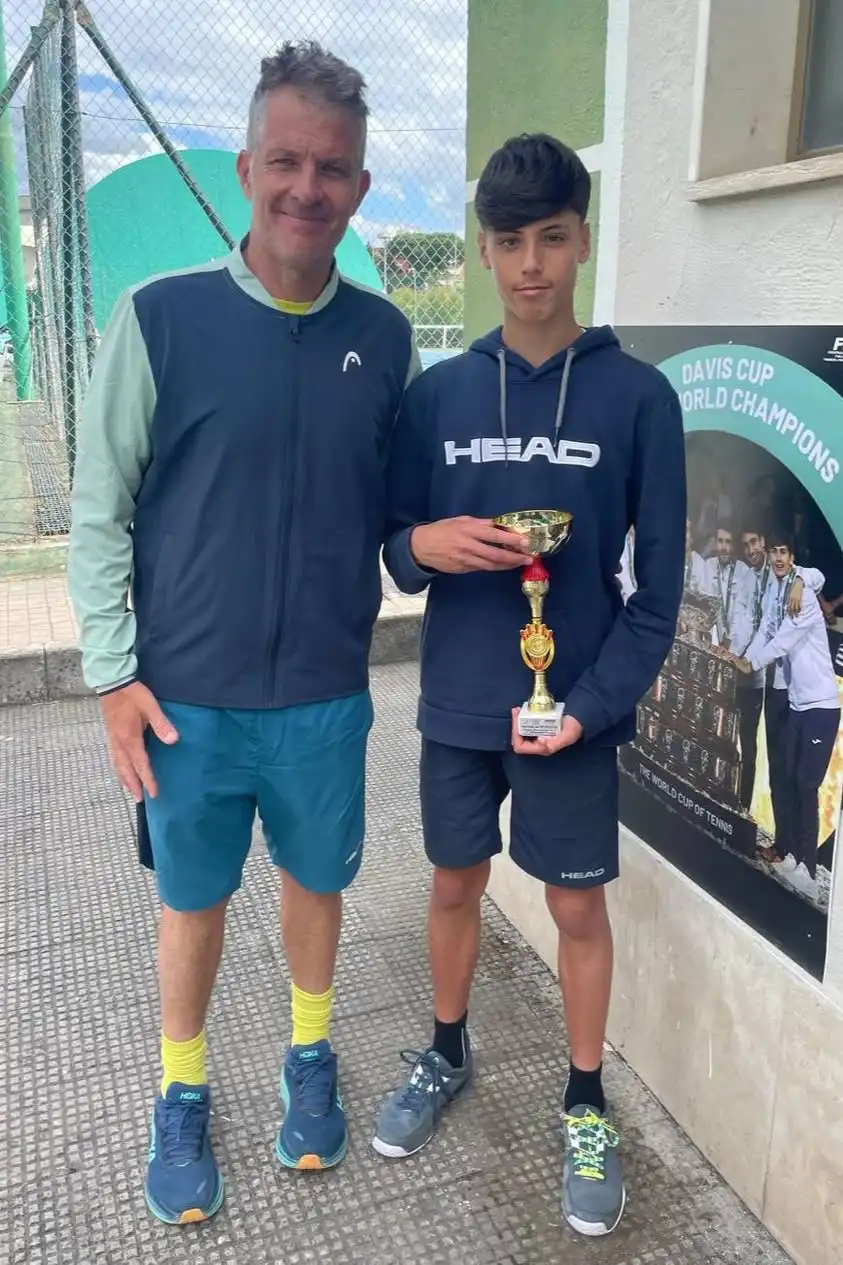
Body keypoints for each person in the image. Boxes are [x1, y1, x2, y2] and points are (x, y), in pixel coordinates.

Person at [67, 41, 419, 1226]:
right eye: (286, 161)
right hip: (188, 700)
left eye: (333, 167)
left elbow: (398, 516)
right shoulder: (159, 319)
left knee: (317, 882)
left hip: (323, 692)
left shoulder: (388, 337)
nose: (307, 188)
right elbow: (100, 508)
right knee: (194, 899)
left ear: (359, 185)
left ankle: (310, 1054)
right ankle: (183, 1087)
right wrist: (113, 674)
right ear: (247, 167)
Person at [374, 133, 686, 1238]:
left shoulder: (639, 398)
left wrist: (591, 708)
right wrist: (426, 544)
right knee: (453, 884)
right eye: (509, 242)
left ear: (584, 240)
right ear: (483, 249)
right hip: (460, 703)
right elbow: (393, 547)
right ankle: (446, 1048)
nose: (531, 265)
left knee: (575, 907)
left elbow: (657, 598)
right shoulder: (439, 394)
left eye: (552, 238)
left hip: (574, 711)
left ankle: (585, 1098)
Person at [737, 531, 840, 888]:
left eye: (784, 552)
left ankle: (807, 866)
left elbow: (783, 639)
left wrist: (751, 663)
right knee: (789, 777)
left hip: (818, 705)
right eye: (774, 552)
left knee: (806, 784)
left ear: (792, 556)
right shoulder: (774, 588)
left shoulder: (804, 591)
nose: (778, 558)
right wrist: (745, 658)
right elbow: (767, 630)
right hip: (794, 700)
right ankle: (792, 852)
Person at [704, 520, 749, 648]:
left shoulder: (744, 571)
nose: (724, 547)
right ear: (715, 543)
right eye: (720, 541)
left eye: (728, 542)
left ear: (734, 545)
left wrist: (731, 641)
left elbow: (743, 615)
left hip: (734, 644)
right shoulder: (707, 566)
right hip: (710, 641)